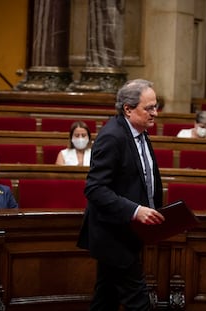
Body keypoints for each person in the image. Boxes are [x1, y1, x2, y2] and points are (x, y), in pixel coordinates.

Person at [77, 79, 165, 310]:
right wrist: (135, 210)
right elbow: (94, 188)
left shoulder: (139, 131)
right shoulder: (112, 136)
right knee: (139, 303)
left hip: (128, 233)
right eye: (149, 108)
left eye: (156, 106)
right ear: (128, 108)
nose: (155, 113)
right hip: (113, 235)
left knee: (105, 299)